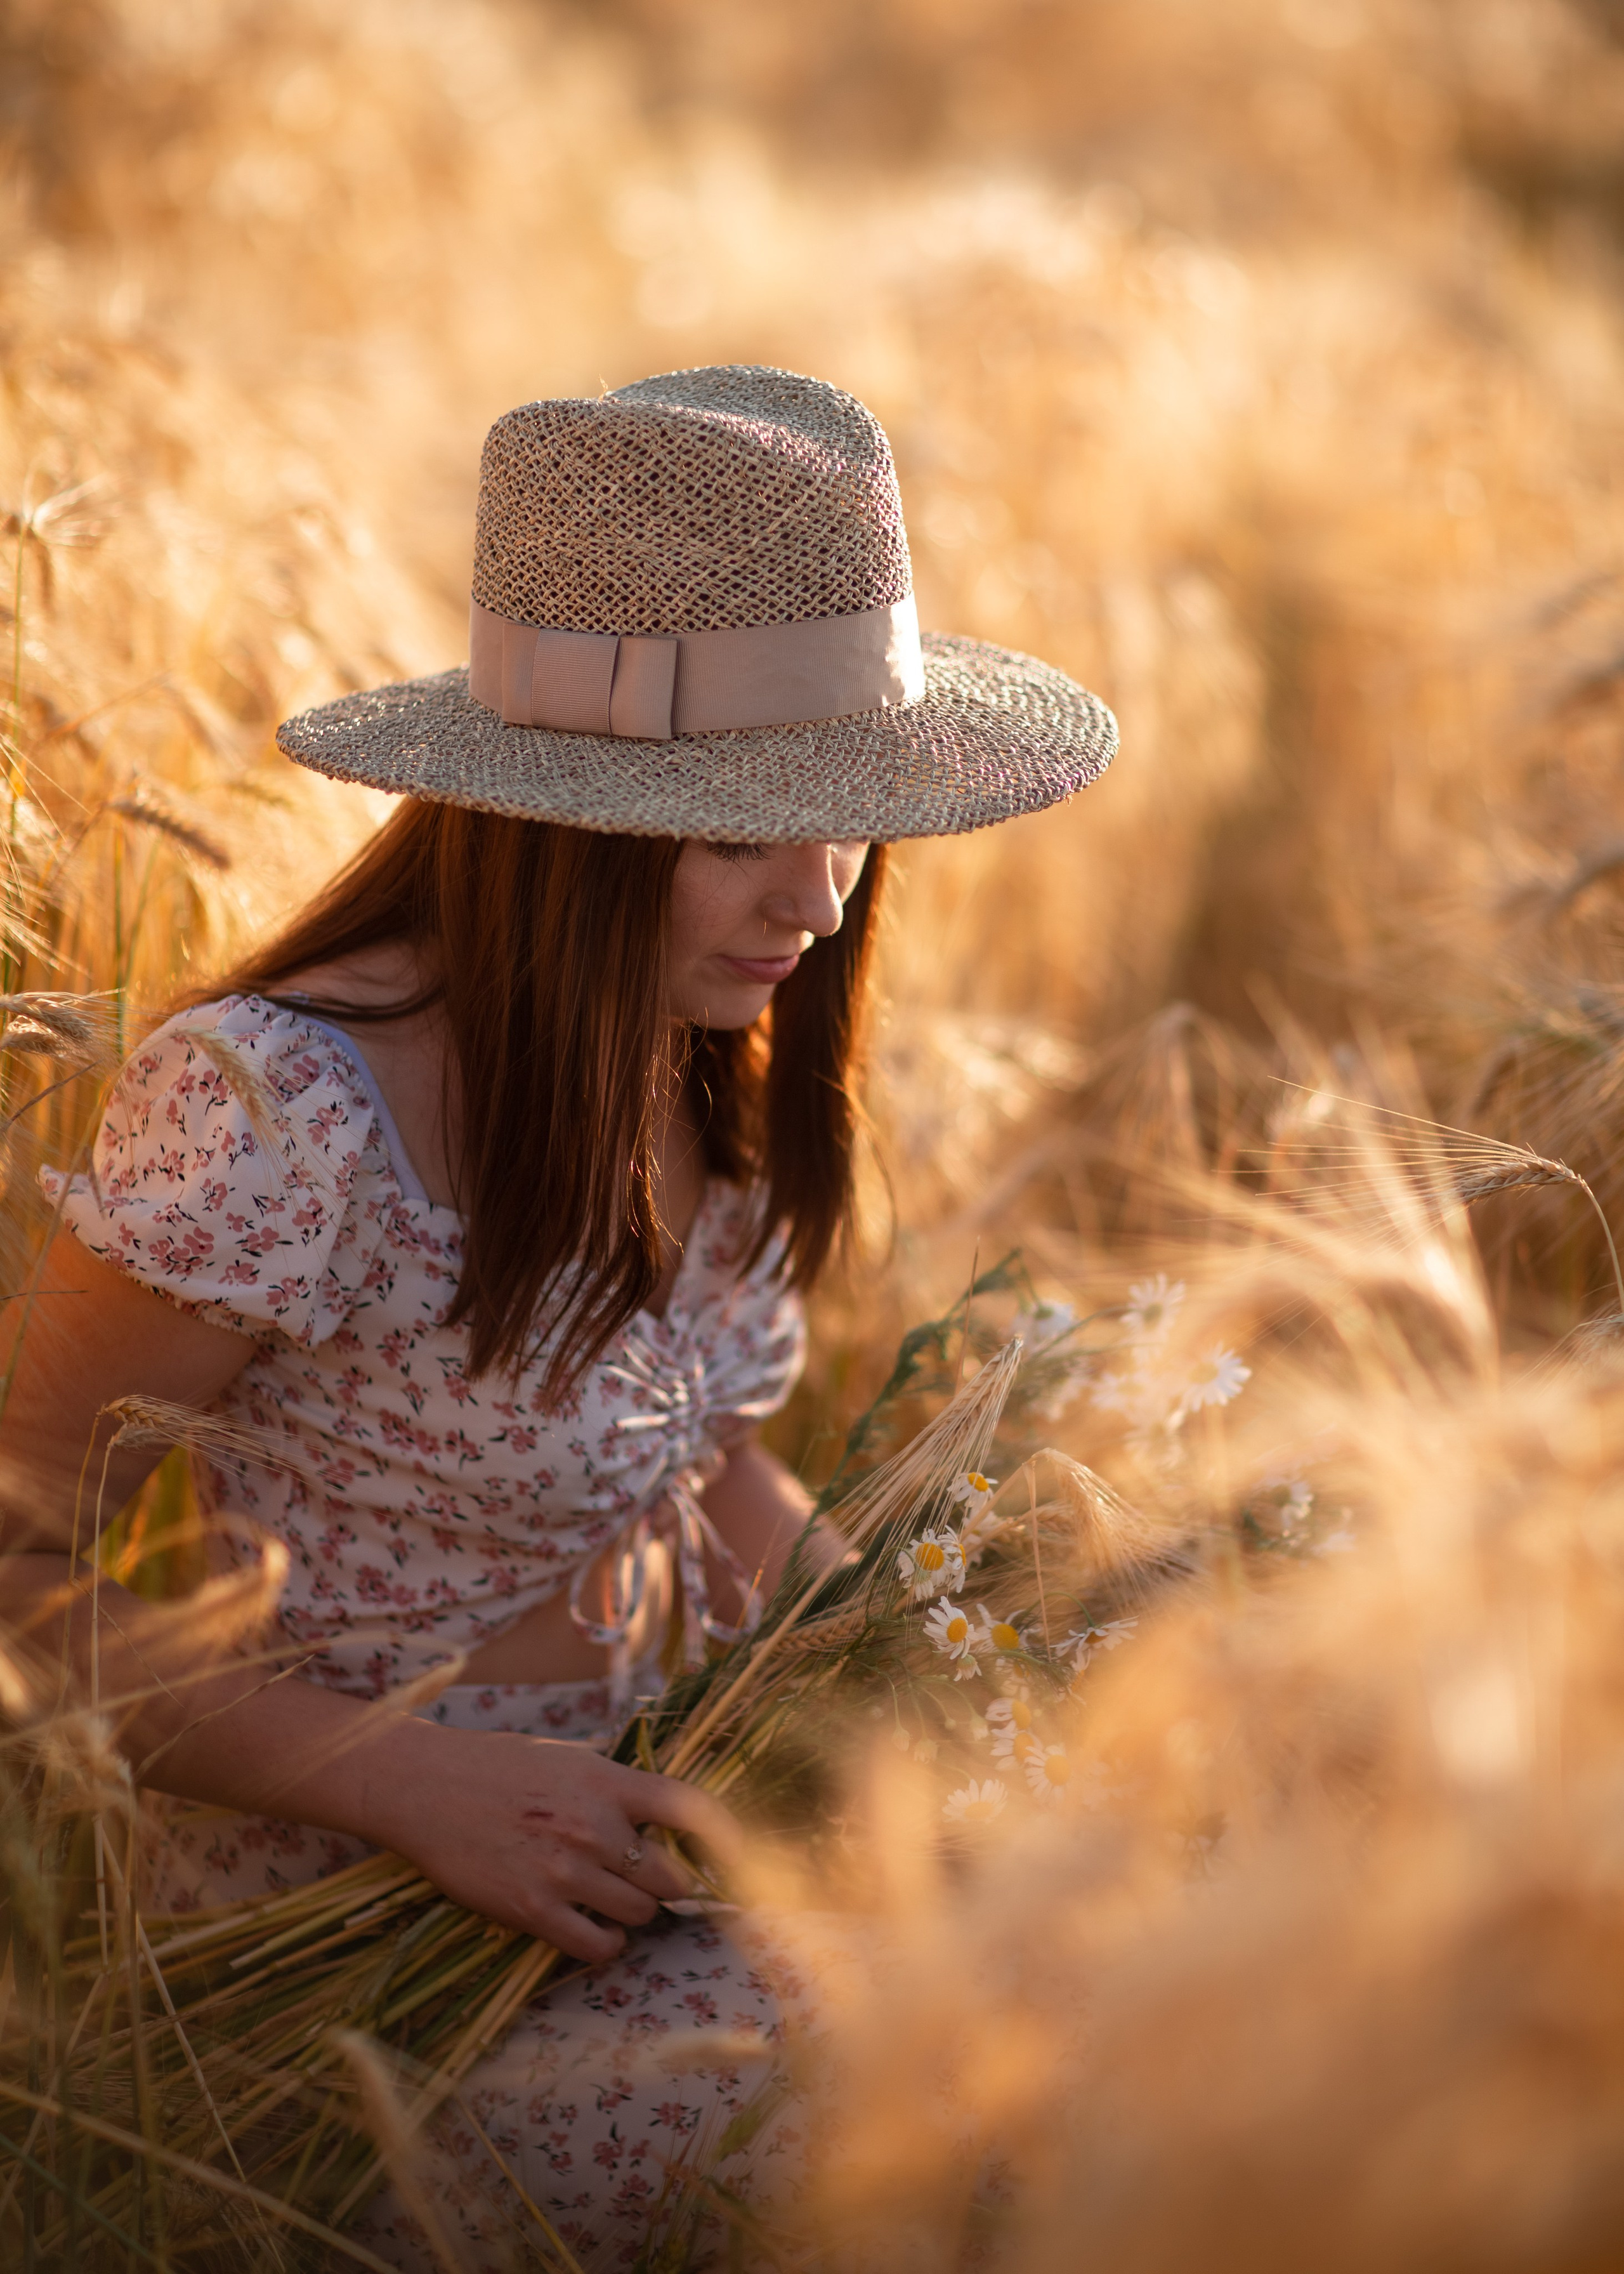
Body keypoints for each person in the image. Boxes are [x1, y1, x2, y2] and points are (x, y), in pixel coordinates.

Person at [0, 364, 1115, 2266]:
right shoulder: (286, 1112)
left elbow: (706, 1452)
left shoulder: (710, 1035)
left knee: (1128, 1971)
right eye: (745, 826)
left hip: (650, 1838)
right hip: (344, 1956)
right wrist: (413, 1782)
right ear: (561, 823)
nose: (823, 903)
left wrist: (923, 1683)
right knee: (927, 2098)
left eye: (851, 820)